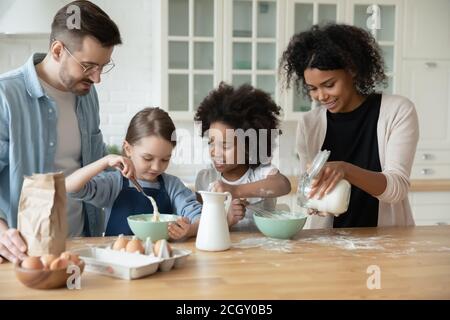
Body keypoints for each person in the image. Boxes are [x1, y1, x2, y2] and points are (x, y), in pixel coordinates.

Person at [0, 0, 122, 263]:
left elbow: (96, 169)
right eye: (89, 66)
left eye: (103, 66)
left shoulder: (88, 97)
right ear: (57, 50)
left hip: (82, 252)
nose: (97, 78)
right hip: (24, 256)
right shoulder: (6, 96)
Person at [279, 23, 419, 228]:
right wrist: (313, 197)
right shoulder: (310, 124)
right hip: (329, 243)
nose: (321, 96)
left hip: (387, 240)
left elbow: (396, 189)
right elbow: (308, 186)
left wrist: (344, 169)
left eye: (329, 85)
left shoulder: (397, 111)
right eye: (312, 89)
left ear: (352, 70)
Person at [66, 107, 202, 240]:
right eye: (148, 158)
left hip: (160, 257)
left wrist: (190, 230)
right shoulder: (113, 183)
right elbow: (70, 187)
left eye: (165, 159)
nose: (156, 167)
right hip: (118, 258)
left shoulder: (173, 186)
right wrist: (105, 161)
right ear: (128, 149)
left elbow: (201, 217)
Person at [194, 82, 291, 230]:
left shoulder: (261, 173)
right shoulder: (205, 179)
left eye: (225, 145)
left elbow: (283, 185)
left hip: (262, 251)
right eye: (211, 143)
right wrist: (227, 219)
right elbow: (202, 225)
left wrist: (235, 190)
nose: (215, 151)